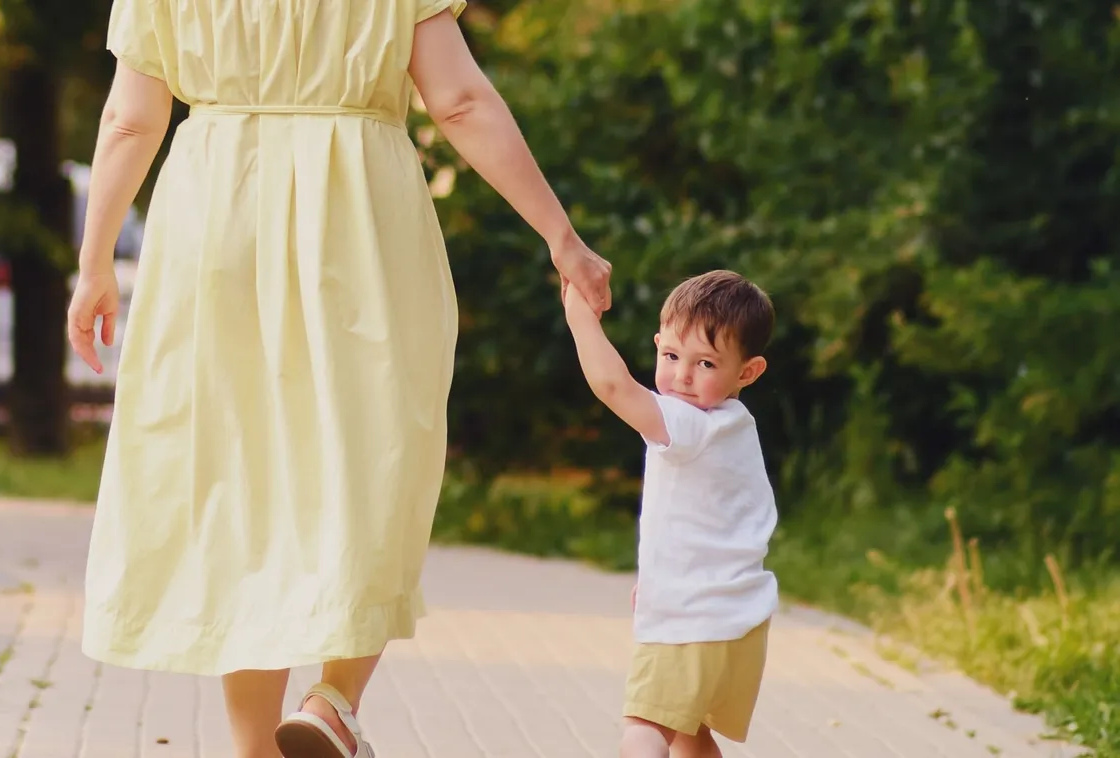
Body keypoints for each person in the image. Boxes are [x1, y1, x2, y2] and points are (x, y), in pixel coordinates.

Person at [65, 1, 612, 756]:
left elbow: (130, 120)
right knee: (374, 454)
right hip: (358, 222)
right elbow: (458, 100)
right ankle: (334, 701)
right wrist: (562, 236)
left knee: (243, 488)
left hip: (216, 219)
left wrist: (95, 263)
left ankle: (256, 748)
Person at [562, 270, 778, 758]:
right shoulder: (737, 428)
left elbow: (614, 387)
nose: (682, 376)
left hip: (690, 620)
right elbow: (712, 523)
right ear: (658, 345)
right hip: (739, 622)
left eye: (705, 363)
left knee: (642, 729)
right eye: (672, 356)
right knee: (688, 734)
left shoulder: (690, 422)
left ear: (747, 372)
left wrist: (579, 316)